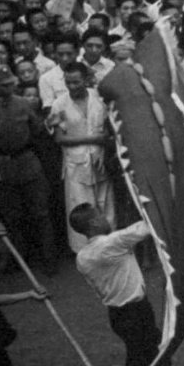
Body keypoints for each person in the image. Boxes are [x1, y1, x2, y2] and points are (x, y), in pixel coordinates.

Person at [69, 203, 176, 366]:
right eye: (101, 215)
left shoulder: (82, 258)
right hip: (134, 309)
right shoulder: (111, 243)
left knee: (149, 344)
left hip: (117, 312)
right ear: (94, 223)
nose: (106, 217)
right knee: (141, 353)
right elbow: (146, 226)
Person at [0, 64, 57, 274]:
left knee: (41, 213)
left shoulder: (22, 104)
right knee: (13, 217)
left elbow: (38, 130)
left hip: (28, 162)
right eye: (4, 85)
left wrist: (50, 124)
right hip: (3, 166)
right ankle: (19, 261)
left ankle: (49, 259)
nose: (9, 87)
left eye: (11, 83)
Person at [46, 61, 114, 253]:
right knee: (81, 209)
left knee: (106, 206)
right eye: (68, 83)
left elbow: (110, 130)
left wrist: (103, 145)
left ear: (86, 80)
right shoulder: (59, 104)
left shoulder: (99, 97)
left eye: (76, 82)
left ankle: (110, 248)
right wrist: (93, 139)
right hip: (76, 164)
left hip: (100, 160)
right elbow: (59, 138)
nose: (72, 87)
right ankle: (85, 253)